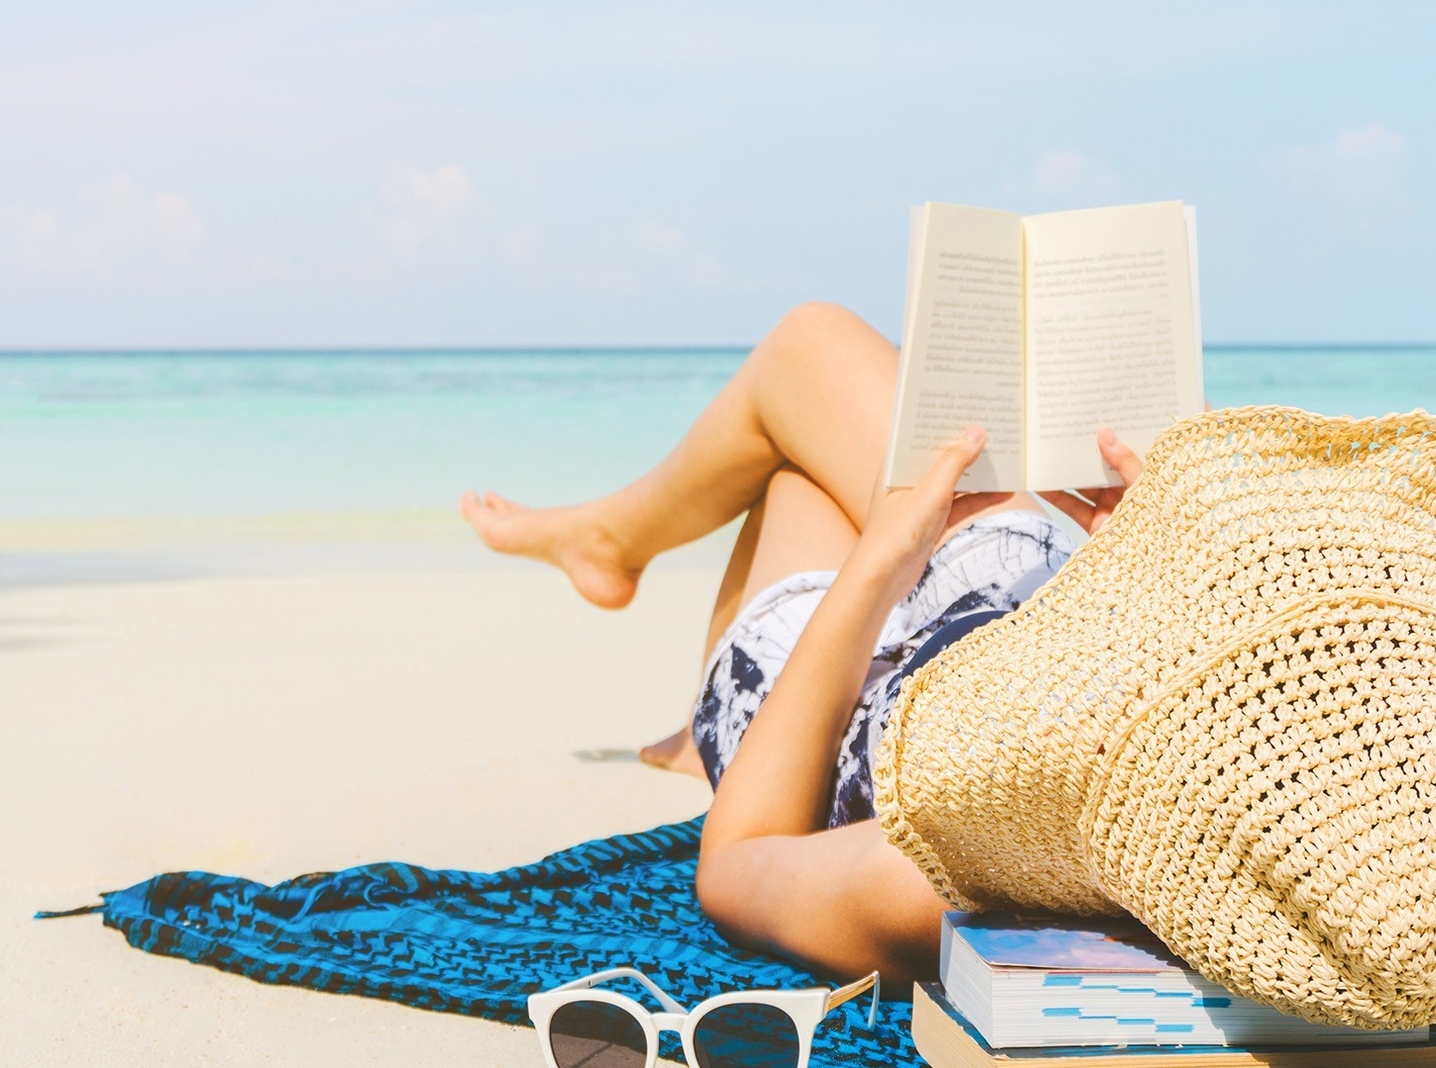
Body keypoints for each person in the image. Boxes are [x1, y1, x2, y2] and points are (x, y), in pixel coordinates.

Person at [461, 302, 1142, 988]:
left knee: (799, 450)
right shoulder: (1203, 763)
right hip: (1035, 612)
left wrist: (876, 569)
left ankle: (614, 555)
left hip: (834, 722)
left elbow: (736, 861)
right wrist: (1147, 573)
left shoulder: (955, 872)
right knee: (811, 375)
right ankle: (609, 545)